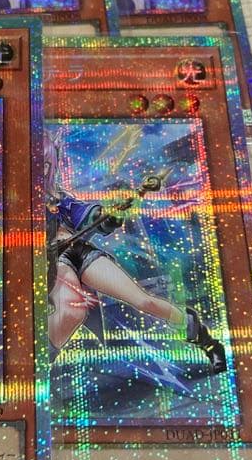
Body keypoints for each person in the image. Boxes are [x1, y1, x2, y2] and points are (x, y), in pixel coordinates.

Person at [44, 132, 226, 373]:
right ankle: (40, 363)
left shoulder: (59, 199)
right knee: (71, 310)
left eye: (45, 165)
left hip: (78, 252)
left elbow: (90, 217)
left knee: (144, 300)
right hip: (53, 261)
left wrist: (110, 214)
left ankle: (205, 340)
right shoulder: (13, 204)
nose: (41, 171)